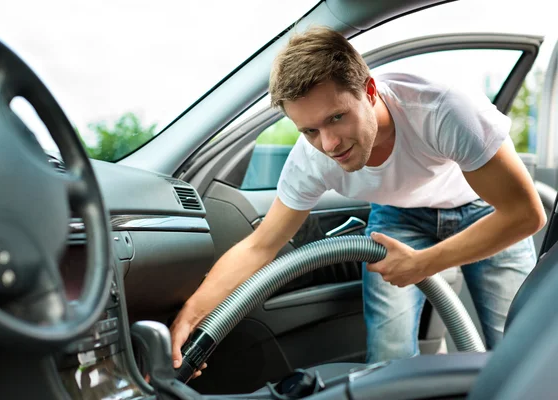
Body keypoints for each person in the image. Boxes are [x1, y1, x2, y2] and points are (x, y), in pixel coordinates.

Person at [170, 26, 546, 374]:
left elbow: (525, 215)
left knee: (519, 351)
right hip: (400, 217)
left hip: (485, 209)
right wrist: (193, 314)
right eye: (310, 130)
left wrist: (422, 264)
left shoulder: (442, 109)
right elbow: (259, 245)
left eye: (337, 117)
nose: (329, 144)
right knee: (387, 355)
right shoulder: (311, 159)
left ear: (369, 90)